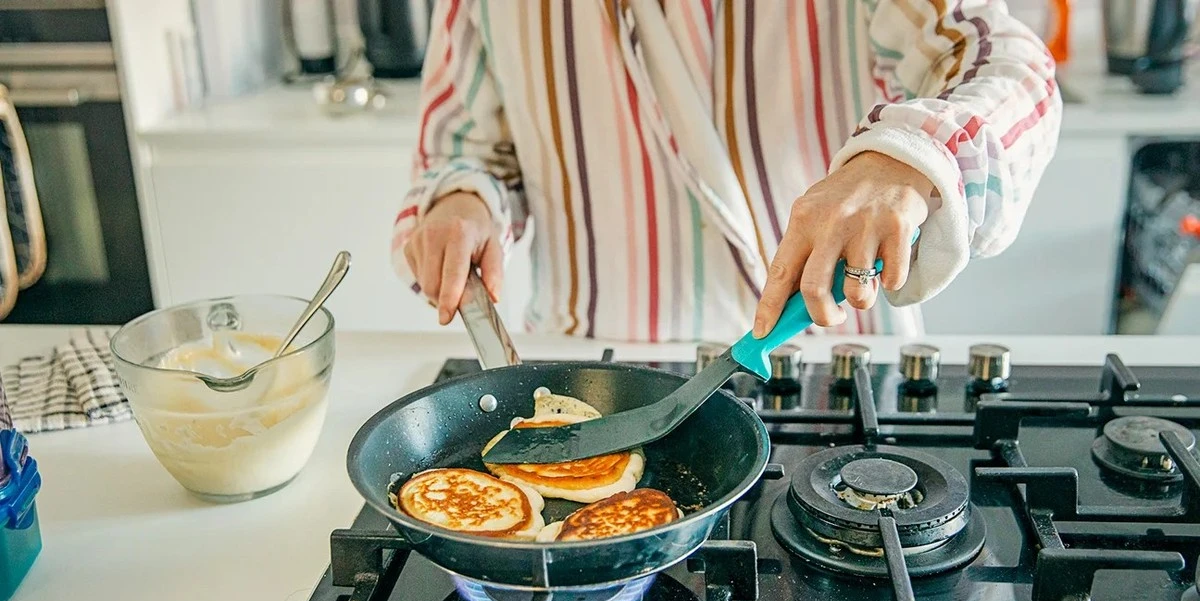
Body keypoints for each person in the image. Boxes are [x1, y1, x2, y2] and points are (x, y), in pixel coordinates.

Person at [391, 0, 1061, 343]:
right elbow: (465, 149)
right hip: (591, 379)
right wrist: (464, 202)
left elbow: (1007, 65)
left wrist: (905, 158)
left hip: (833, 365)